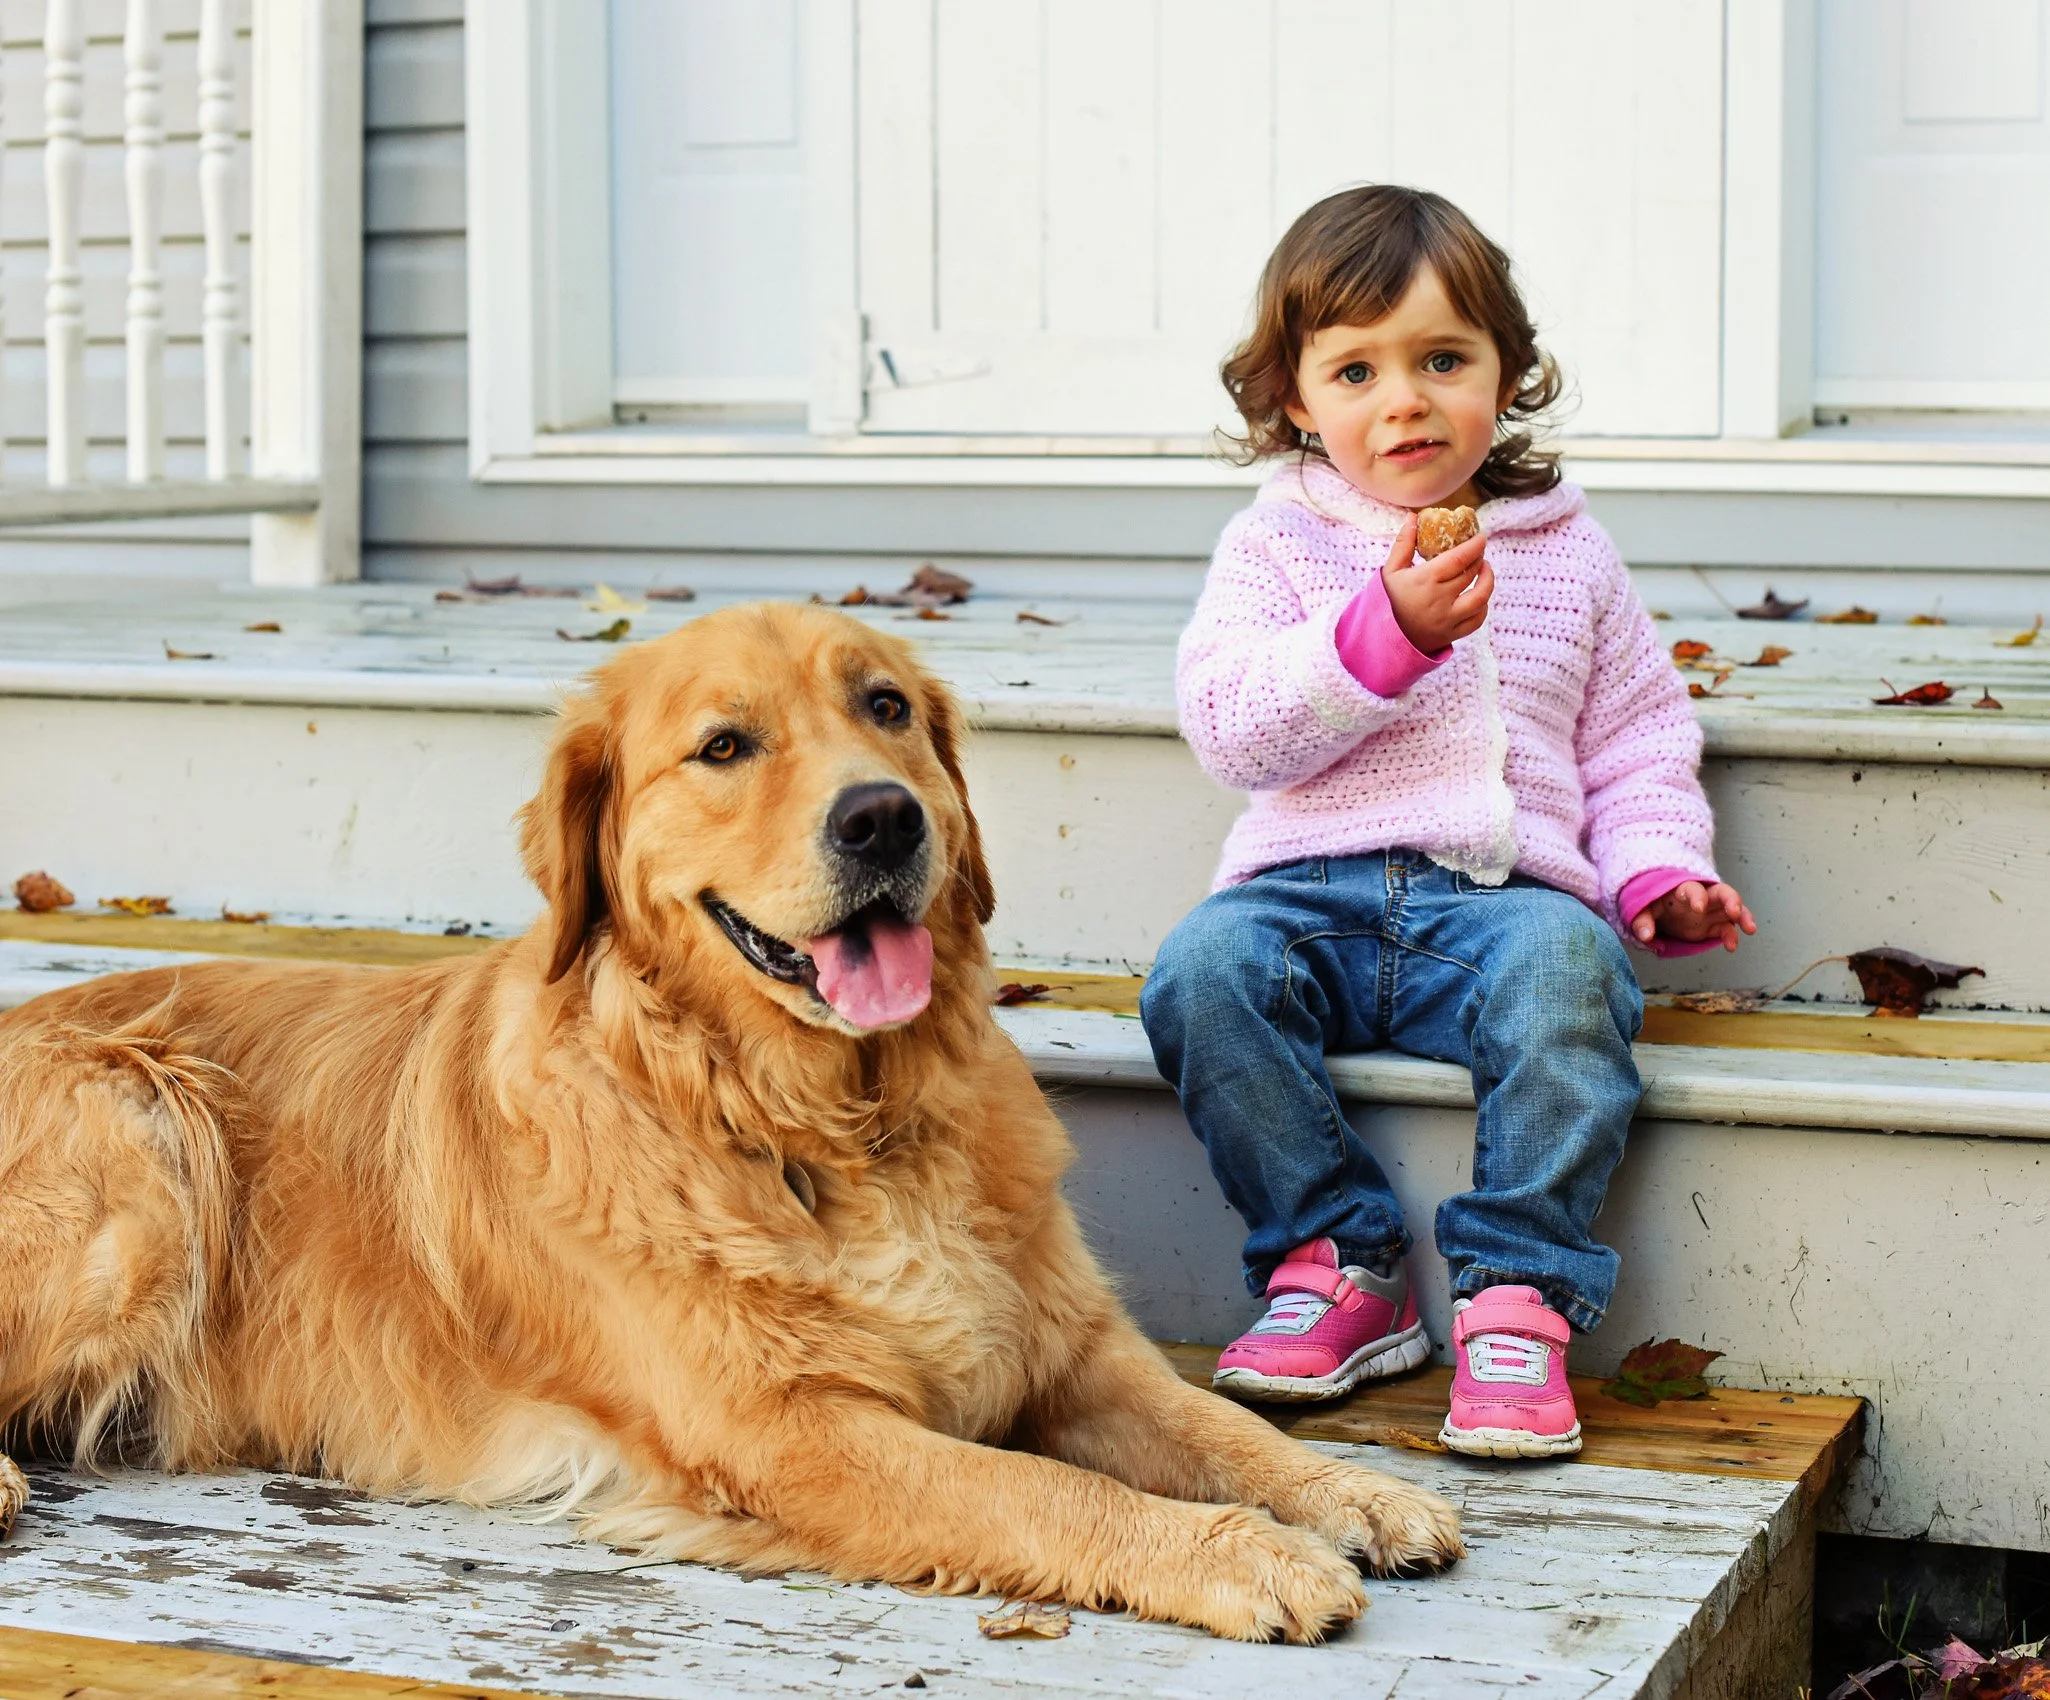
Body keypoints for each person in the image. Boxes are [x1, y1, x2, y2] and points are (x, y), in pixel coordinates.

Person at [1140, 185, 1757, 1458]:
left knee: (1569, 966)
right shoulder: (1276, 549)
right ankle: (1337, 1262)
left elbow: (1636, 736)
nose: (1404, 399)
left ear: (1507, 373)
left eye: (1441, 359)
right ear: (1298, 401)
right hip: (1304, 894)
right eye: (1356, 370)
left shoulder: (1569, 554)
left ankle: (1517, 1292)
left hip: (1499, 902)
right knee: (1203, 971)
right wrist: (1383, 636)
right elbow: (1230, 724)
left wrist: (1656, 868)